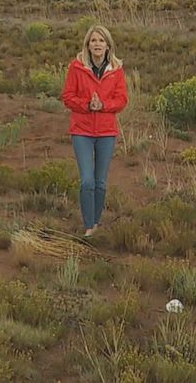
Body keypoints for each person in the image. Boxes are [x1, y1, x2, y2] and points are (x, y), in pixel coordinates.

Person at [61, 25, 128, 237]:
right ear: (87, 45)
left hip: (106, 132)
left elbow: (122, 99)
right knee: (87, 181)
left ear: (108, 45)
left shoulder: (116, 70)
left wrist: (104, 106)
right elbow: (68, 97)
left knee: (100, 182)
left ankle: (96, 222)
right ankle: (89, 226)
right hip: (82, 131)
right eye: (93, 41)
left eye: (101, 40)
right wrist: (87, 105)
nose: (97, 44)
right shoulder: (77, 67)